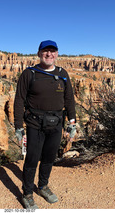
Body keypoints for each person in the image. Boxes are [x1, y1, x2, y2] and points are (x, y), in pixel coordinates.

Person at [14, 40, 77, 209]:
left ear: (57, 54)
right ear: (39, 53)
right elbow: (19, 100)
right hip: (35, 124)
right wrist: (18, 126)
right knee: (32, 160)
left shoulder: (63, 74)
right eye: (45, 51)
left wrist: (72, 122)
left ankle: (42, 186)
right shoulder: (29, 74)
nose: (49, 54)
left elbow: (69, 99)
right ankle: (27, 193)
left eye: (52, 51)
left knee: (49, 158)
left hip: (56, 124)